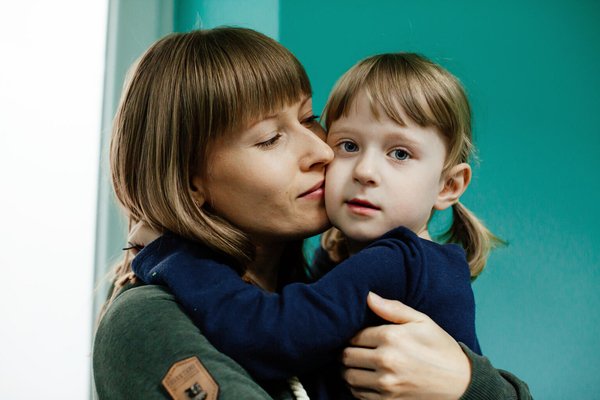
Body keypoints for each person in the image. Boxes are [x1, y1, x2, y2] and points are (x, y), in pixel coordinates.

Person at [93, 27, 532, 399]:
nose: (321, 151)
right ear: (190, 181)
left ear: (449, 185)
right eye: (270, 138)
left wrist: (467, 383)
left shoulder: (358, 270)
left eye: (309, 118)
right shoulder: (147, 319)